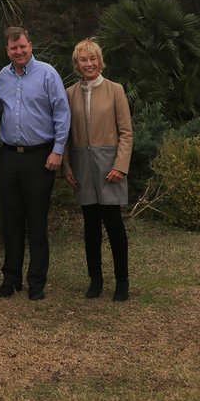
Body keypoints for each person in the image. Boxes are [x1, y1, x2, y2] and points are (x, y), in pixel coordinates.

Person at [0, 26, 70, 301]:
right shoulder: (1, 77)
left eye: (23, 46)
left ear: (30, 45)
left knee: (36, 222)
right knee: (10, 221)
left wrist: (58, 151)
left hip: (41, 155)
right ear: (7, 50)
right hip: (9, 156)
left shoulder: (48, 74)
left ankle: (36, 282)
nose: (19, 51)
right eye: (14, 48)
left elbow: (62, 112)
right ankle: (10, 279)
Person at [63, 38, 133, 302]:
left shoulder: (115, 90)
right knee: (90, 225)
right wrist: (67, 167)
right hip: (82, 166)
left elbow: (126, 133)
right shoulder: (69, 93)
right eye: (83, 59)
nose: (89, 64)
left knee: (113, 223)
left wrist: (120, 166)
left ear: (100, 61)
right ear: (77, 64)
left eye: (93, 59)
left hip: (110, 166)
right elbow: (65, 134)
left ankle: (122, 281)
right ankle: (95, 280)